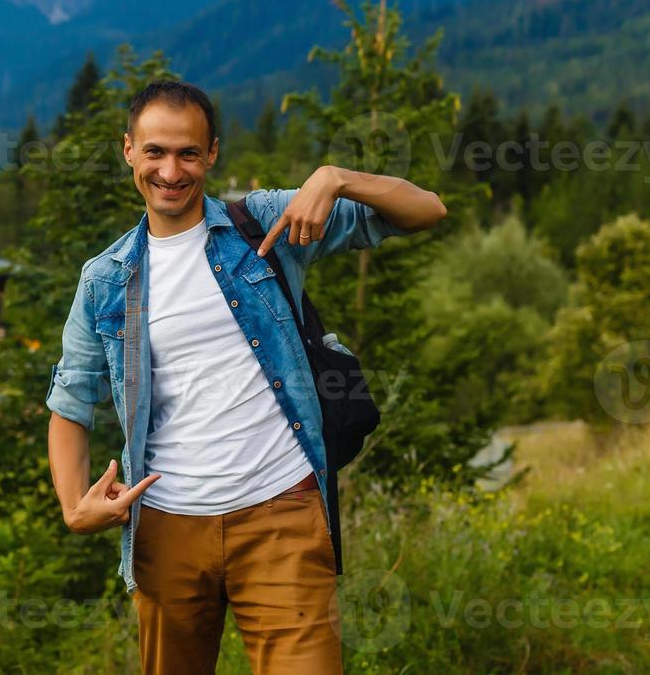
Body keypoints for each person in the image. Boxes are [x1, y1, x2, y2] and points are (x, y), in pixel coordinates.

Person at [45, 80, 446, 674]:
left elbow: (426, 210)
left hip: (282, 512)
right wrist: (73, 505)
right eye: (154, 151)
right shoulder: (106, 278)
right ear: (128, 150)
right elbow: (71, 401)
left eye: (187, 153)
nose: (170, 170)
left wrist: (336, 177)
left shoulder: (263, 224)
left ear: (211, 154)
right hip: (166, 525)